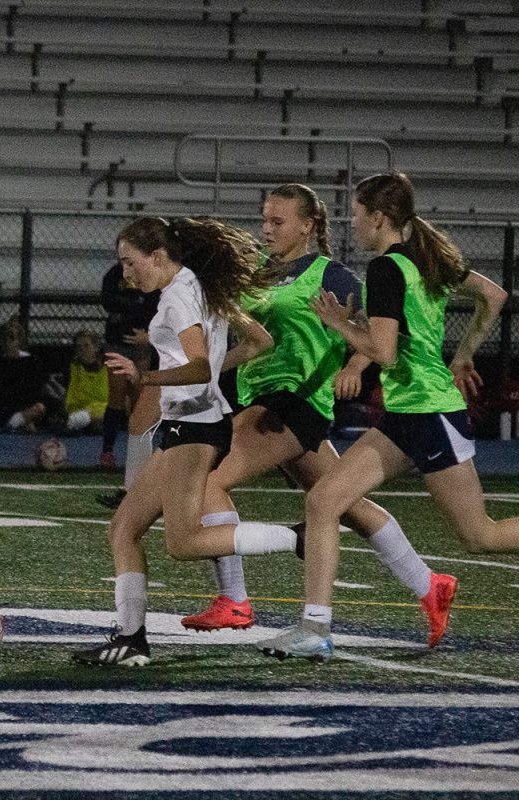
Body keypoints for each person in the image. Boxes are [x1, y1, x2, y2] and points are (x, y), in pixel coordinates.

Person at [258, 172, 519, 662]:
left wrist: (340, 324)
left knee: (479, 534)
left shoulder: (387, 269)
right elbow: (494, 295)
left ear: (378, 217)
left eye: (356, 215)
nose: (352, 224)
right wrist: (463, 355)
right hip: (406, 414)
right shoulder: (429, 259)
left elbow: (385, 352)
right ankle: (315, 629)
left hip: (432, 415)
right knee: (324, 500)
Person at [177, 183, 457, 650]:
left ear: (308, 226)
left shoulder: (334, 276)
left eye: (278, 221)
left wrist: (353, 365)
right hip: (264, 398)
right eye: (264, 220)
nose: (267, 229)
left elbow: (383, 329)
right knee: (346, 505)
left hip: (295, 403)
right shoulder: (260, 274)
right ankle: (429, 585)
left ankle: (235, 599)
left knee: (208, 481)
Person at [72, 216, 303, 668]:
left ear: (157, 256)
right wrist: (212, 369)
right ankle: (131, 639)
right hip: (192, 423)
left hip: (194, 428)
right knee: (124, 528)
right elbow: (259, 341)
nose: (125, 274)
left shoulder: (179, 295)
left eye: (129, 262)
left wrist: (147, 376)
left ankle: (297, 538)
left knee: (183, 542)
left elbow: (197, 366)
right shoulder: (197, 286)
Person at [96, 260, 161, 505]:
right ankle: (133, 484)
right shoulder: (115, 274)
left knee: (142, 410)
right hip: (121, 343)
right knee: (135, 412)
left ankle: (144, 487)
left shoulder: (167, 278)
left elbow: (151, 306)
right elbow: (109, 301)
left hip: (150, 351)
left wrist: (150, 336)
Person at [63, 330, 109, 433]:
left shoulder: (109, 368)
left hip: (102, 411)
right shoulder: (72, 367)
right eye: (79, 347)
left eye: (86, 346)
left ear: (96, 347)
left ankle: (87, 423)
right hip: (78, 410)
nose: (82, 350)